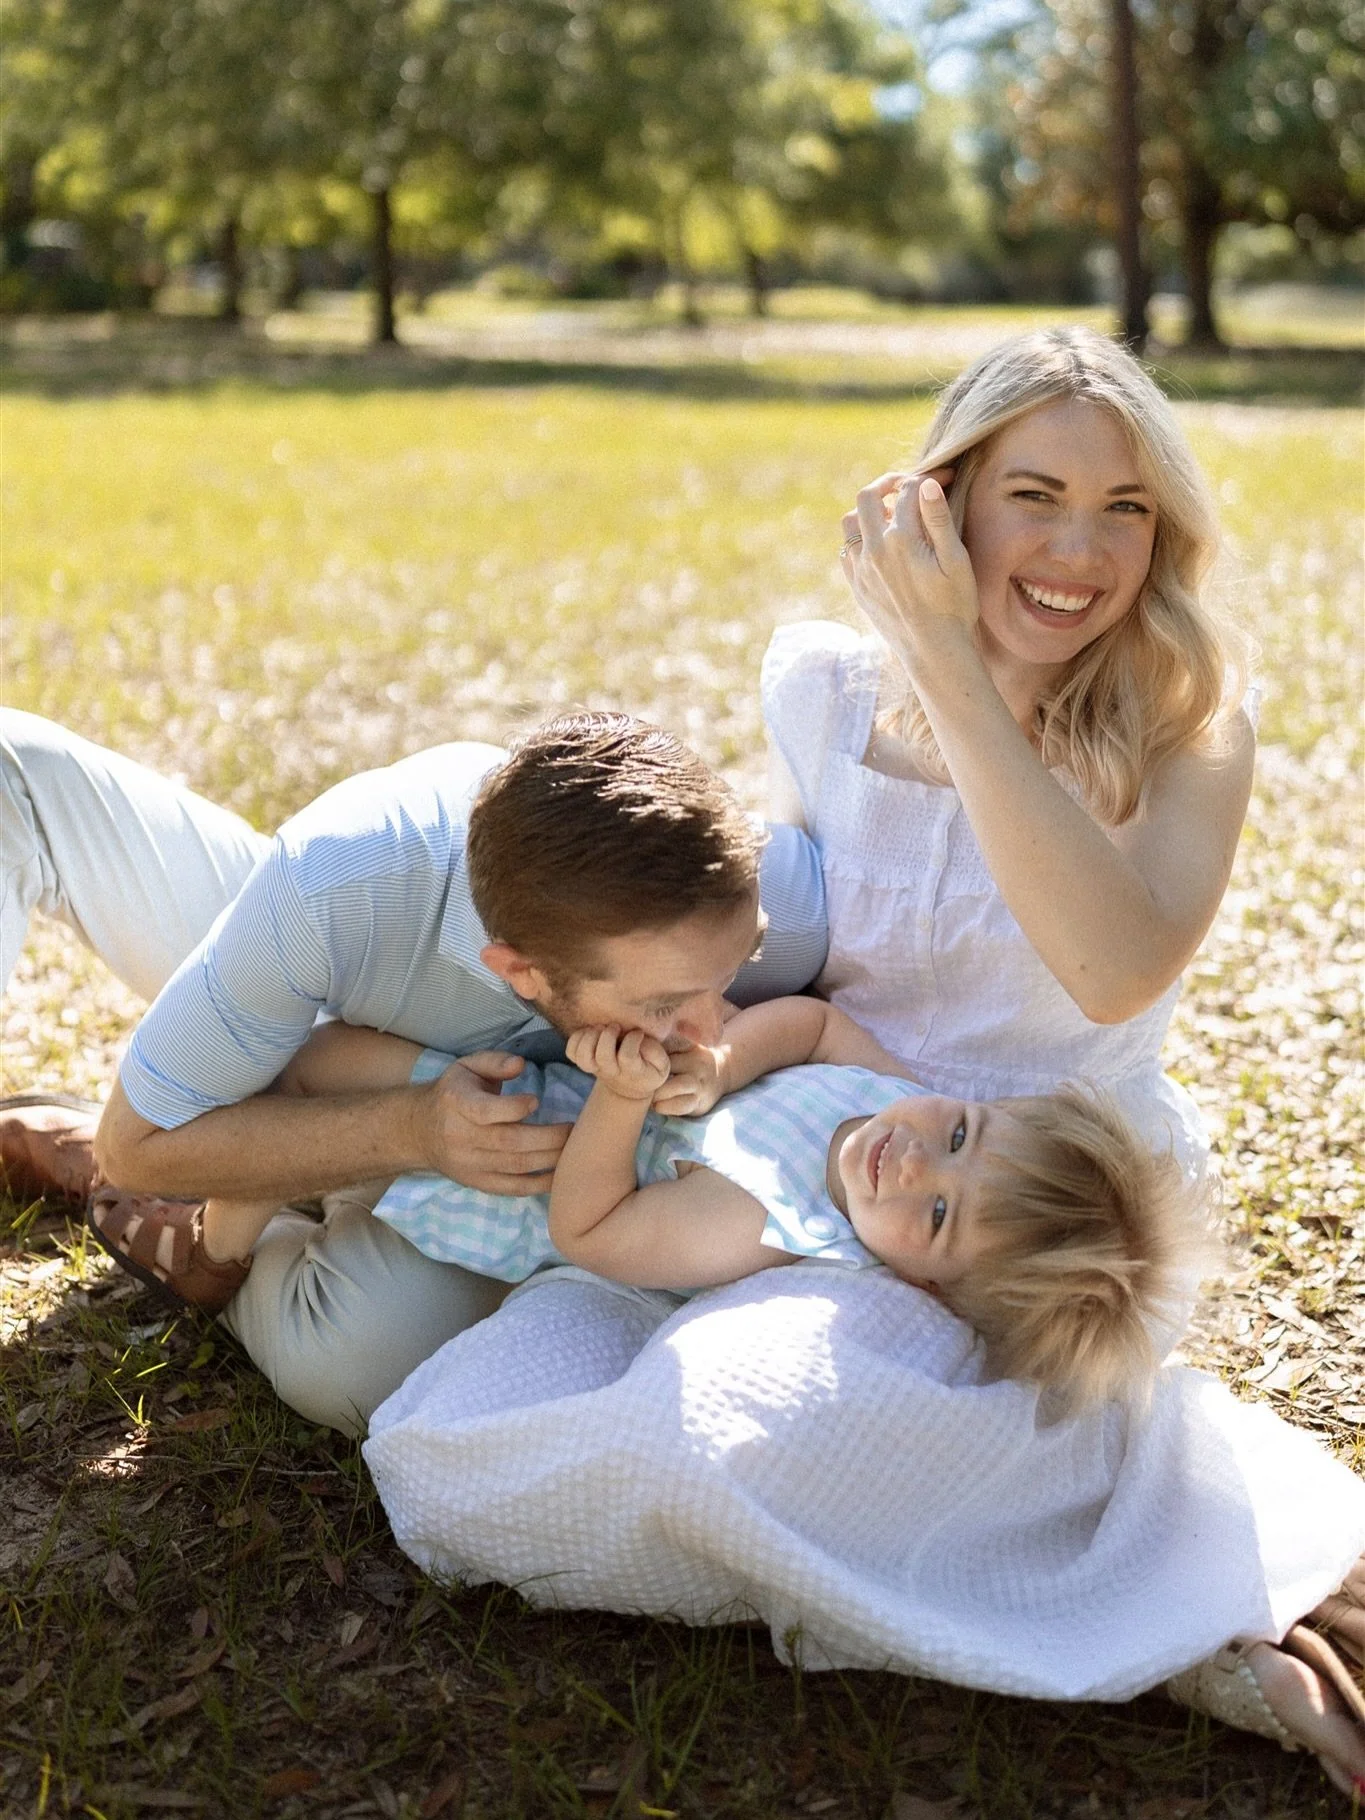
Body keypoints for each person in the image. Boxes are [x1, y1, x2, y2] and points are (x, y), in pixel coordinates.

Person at [355, 328, 1365, 1792]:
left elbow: (1111, 963)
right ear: (944, 503)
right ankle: (1110, 1592)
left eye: (1127, 509)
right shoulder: (828, 692)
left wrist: (956, 662)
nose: (1079, 550)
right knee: (688, 1434)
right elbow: (790, 950)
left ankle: (1201, 1626)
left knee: (917, 1425)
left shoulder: (1185, 727)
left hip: (1036, 1200)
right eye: (1035, 494)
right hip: (825, 1156)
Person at [1, 707, 827, 1428]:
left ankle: (232, 1191)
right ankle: (189, 1194)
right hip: (330, 998)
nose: (708, 1021)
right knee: (15, 772)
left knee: (361, 1368)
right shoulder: (331, 884)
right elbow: (141, 1147)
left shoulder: (766, 903)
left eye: (734, 968)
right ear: (521, 974)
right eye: (667, 1005)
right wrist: (413, 1129)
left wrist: (722, 1052)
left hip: (499, 1152)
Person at [142, 995, 1199, 1413]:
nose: (911, 1159)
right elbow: (819, 1030)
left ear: (926, 1282)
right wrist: (727, 1058)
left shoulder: (771, 1227)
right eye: (963, 1132)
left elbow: (585, 1227)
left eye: (936, 1216)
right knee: (324, 1055)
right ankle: (205, 1153)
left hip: (499, 1176)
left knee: (330, 1147)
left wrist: (624, 1093)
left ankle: (220, 1233)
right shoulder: (888, 1094)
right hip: (513, 1084)